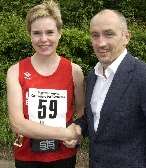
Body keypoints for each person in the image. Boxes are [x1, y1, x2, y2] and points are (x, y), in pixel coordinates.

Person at [65, 9, 146, 168]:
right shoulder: (92, 76)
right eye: (95, 35)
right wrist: (79, 127)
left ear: (126, 37)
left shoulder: (144, 77)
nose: (100, 43)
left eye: (109, 34)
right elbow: (97, 118)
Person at [6, 0, 84, 167]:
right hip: (28, 157)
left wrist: (77, 133)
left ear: (59, 33)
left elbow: (81, 113)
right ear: (29, 35)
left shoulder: (74, 71)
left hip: (64, 156)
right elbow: (18, 124)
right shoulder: (15, 71)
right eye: (37, 33)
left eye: (50, 32)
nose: (43, 39)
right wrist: (64, 133)